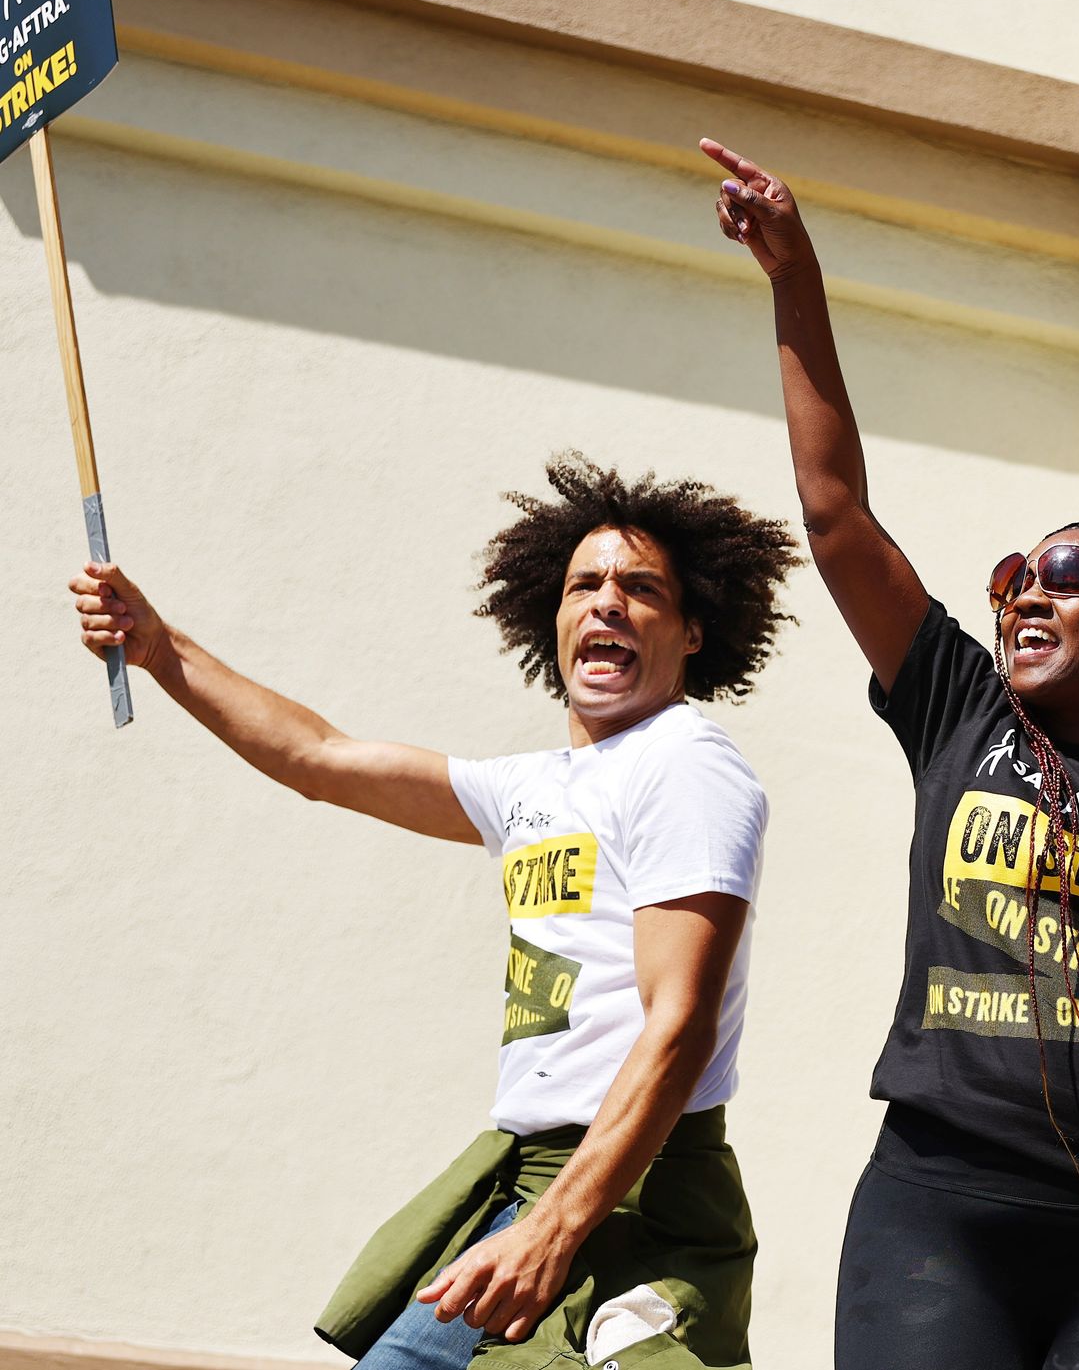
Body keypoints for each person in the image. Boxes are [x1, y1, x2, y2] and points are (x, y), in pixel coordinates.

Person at [699, 136, 1079, 1370]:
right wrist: (793, 275)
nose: (1029, 591)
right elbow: (833, 514)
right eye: (1015, 576)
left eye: (1071, 575)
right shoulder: (959, 713)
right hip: (946, 1213)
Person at [69, 454, 800, 1370]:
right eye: (584, 584)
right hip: (524, 1178)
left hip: (635, 1194)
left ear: (693, 631)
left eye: (641, 587)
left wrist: (556, 1229)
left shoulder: (685, 762)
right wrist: (155, 645)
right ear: (555, 618)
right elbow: (317, 757)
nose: (606, 599)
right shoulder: (531, 786)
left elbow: (680, 1021)